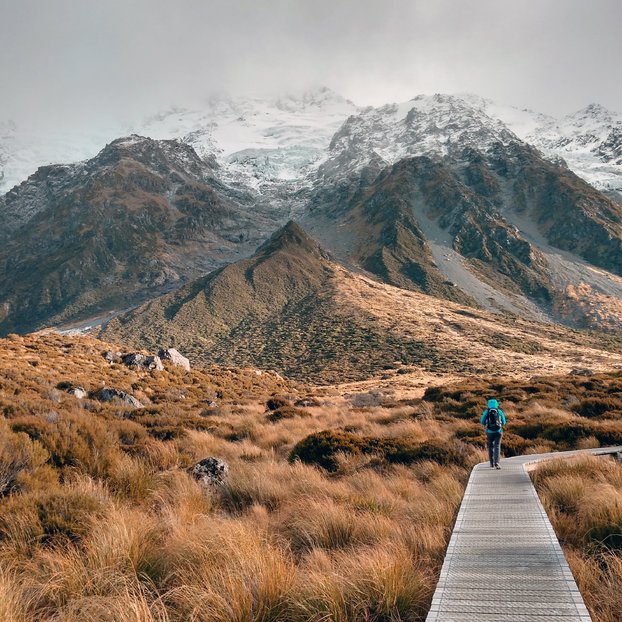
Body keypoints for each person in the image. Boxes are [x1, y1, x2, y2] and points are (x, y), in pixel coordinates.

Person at [480, 398, 506, 469]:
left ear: (488, 404)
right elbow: (504, 422)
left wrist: (487, 424)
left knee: (490, 446)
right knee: (497, 446)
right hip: (498, 431)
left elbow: (482, 421)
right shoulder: (499, 411)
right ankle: (497, 463)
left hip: (489, 432)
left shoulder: (486, 412)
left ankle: (491, 463)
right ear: (496, 404)